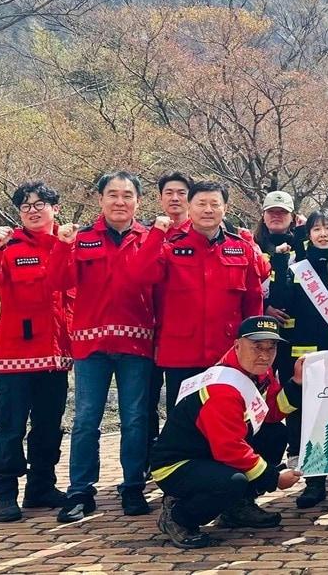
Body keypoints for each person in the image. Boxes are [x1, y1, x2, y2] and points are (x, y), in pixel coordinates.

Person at [47, 171, 155, 523]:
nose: (120, 202)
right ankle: (80, 490)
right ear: (100, 200)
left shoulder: (150, 238)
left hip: (136, 344)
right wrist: (62, 245)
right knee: (85, 420)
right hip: (90, 346)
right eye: (113, 195)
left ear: (138, 201)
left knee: (136, 419)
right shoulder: (81, 239)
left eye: (127, 195)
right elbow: (58, 282)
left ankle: (133, 486)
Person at [0, 180, 73, 523]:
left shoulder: (68, 243)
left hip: (57, 355)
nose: (33, 210)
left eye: (40, 204)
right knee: (10, 427)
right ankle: (3, 493)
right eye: (25, 206)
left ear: (55, 208)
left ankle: (41, 487)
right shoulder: (9, 245)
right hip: (15, 356)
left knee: (48, 426)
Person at [151, 316, 304, 548]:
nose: (264, 355)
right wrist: (274, 479)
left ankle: (237, 507)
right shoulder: (222, 389)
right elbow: (229, 448)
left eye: (271, 348)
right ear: (237, 346)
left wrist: (296, 383)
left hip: (209, 452)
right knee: (231, 482)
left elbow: (270, 413)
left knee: (275, 434)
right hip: (178, 464)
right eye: (257, 347)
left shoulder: (258, 372)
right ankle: (179, 517)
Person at [134, 180, 264, 411]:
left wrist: (254, 347)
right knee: (184, 421)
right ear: (189, 207)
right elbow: (141, 275)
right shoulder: (171, 247)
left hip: (227, 353)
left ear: (225, 209)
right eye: (201, 203)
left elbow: (253, 302)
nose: (208, 210)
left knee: (227, 417)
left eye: (215, 204)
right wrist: (156, 234)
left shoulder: (241, 248)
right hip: (182, 353)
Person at [261, 205, 328, 510]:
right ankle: (314, 480)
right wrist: (278, 262)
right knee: (303, 419)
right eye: (317, 229)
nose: (323, 234)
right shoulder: (295, 266)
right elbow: (280, 303)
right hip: (301, 358)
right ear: (309, 233)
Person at [146, 171, 194, 455]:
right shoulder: (148, 233)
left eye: (181, 193)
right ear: (160, 198)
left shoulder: (202, 231)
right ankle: (150, 458)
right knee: (146, 402)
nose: (175, 198)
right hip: (147, 332)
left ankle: (179, 457)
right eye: (168, 193)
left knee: (181, 401)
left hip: (183, 335)